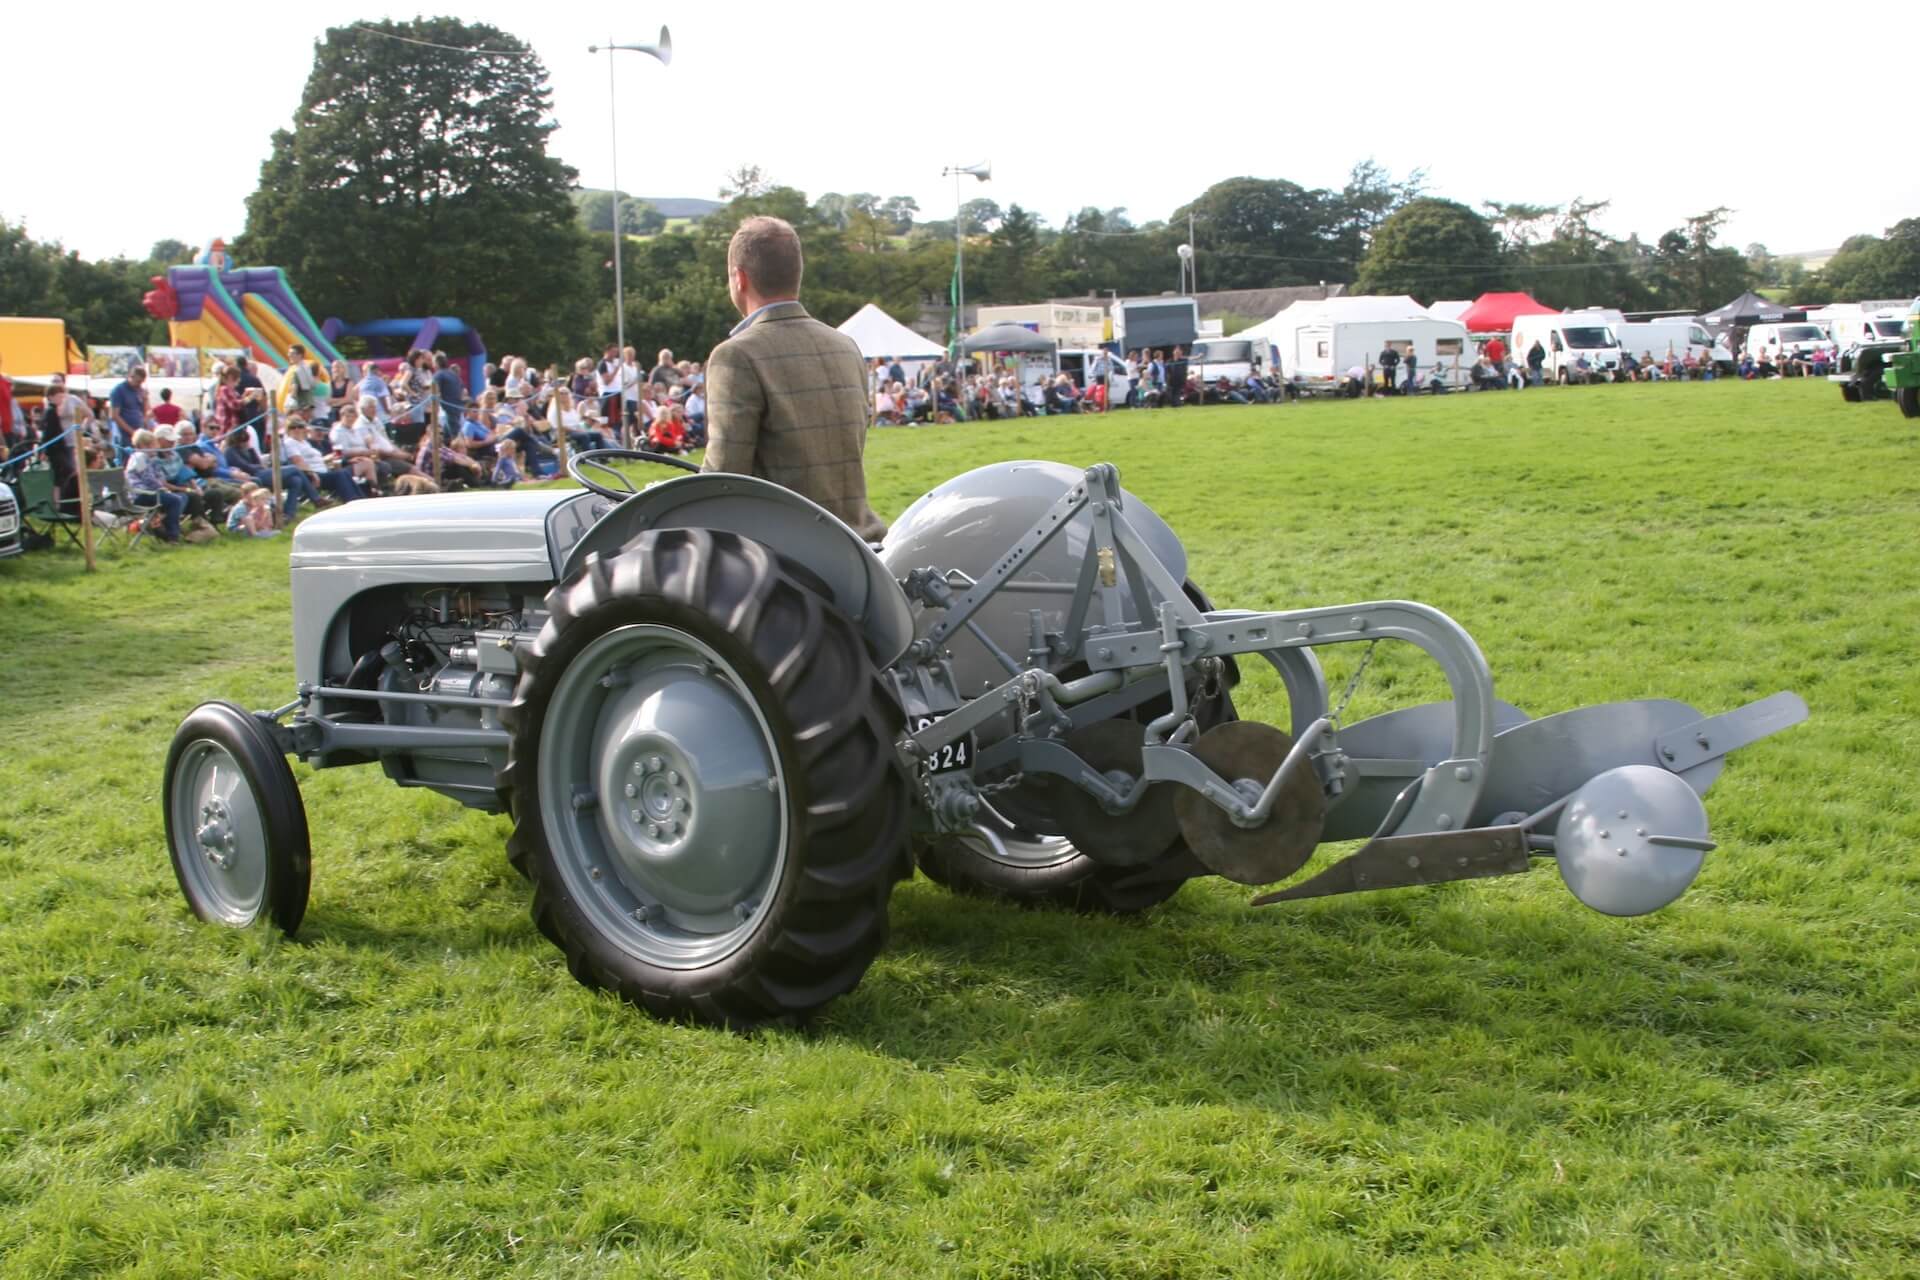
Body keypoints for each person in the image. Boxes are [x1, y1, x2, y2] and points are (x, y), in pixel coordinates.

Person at [700, 215, 885, 540]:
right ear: (797, 274)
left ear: (739, 278)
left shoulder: (736, 355)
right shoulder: (845, 346)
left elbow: (723, 480)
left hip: (785, 552)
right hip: (857, 541)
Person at [125, 429, 187, 543]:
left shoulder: (150, 459)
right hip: (140, 495)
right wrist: (162, 489)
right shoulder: (139, 457)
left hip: (150, 493)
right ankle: (172, 535)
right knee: (175, 500)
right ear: (144, 445)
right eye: (153, 444)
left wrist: (162, 485)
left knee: (178, 498)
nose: (157, 447)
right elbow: (148, 479)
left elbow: (160, 476)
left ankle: (165, 529)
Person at [107, 364, 150, 459]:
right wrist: (132, 432)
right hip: (124, 435)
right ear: (131, 376)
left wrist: (145, 399)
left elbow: (145, 412)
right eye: (138, 381)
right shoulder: (118, 391)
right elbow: (114, 416)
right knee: (125, 461)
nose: (139, 384)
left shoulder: (139, 390)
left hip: (138, 433)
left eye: (142, 382)